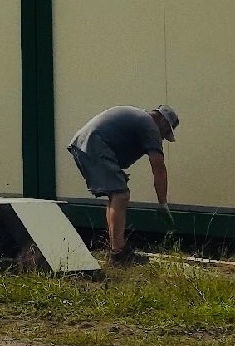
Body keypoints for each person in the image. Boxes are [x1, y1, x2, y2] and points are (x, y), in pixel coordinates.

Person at [66, 104, 177, 261]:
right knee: (121, 194)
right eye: (165, 133)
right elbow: (158, 168)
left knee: (116, 195)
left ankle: (115, 248)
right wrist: (163, 203)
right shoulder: (150, 126)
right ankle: (119, 253)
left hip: (85, 143)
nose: (162, 138)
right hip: (93, 144)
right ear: (164, 122)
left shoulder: (140, 120)